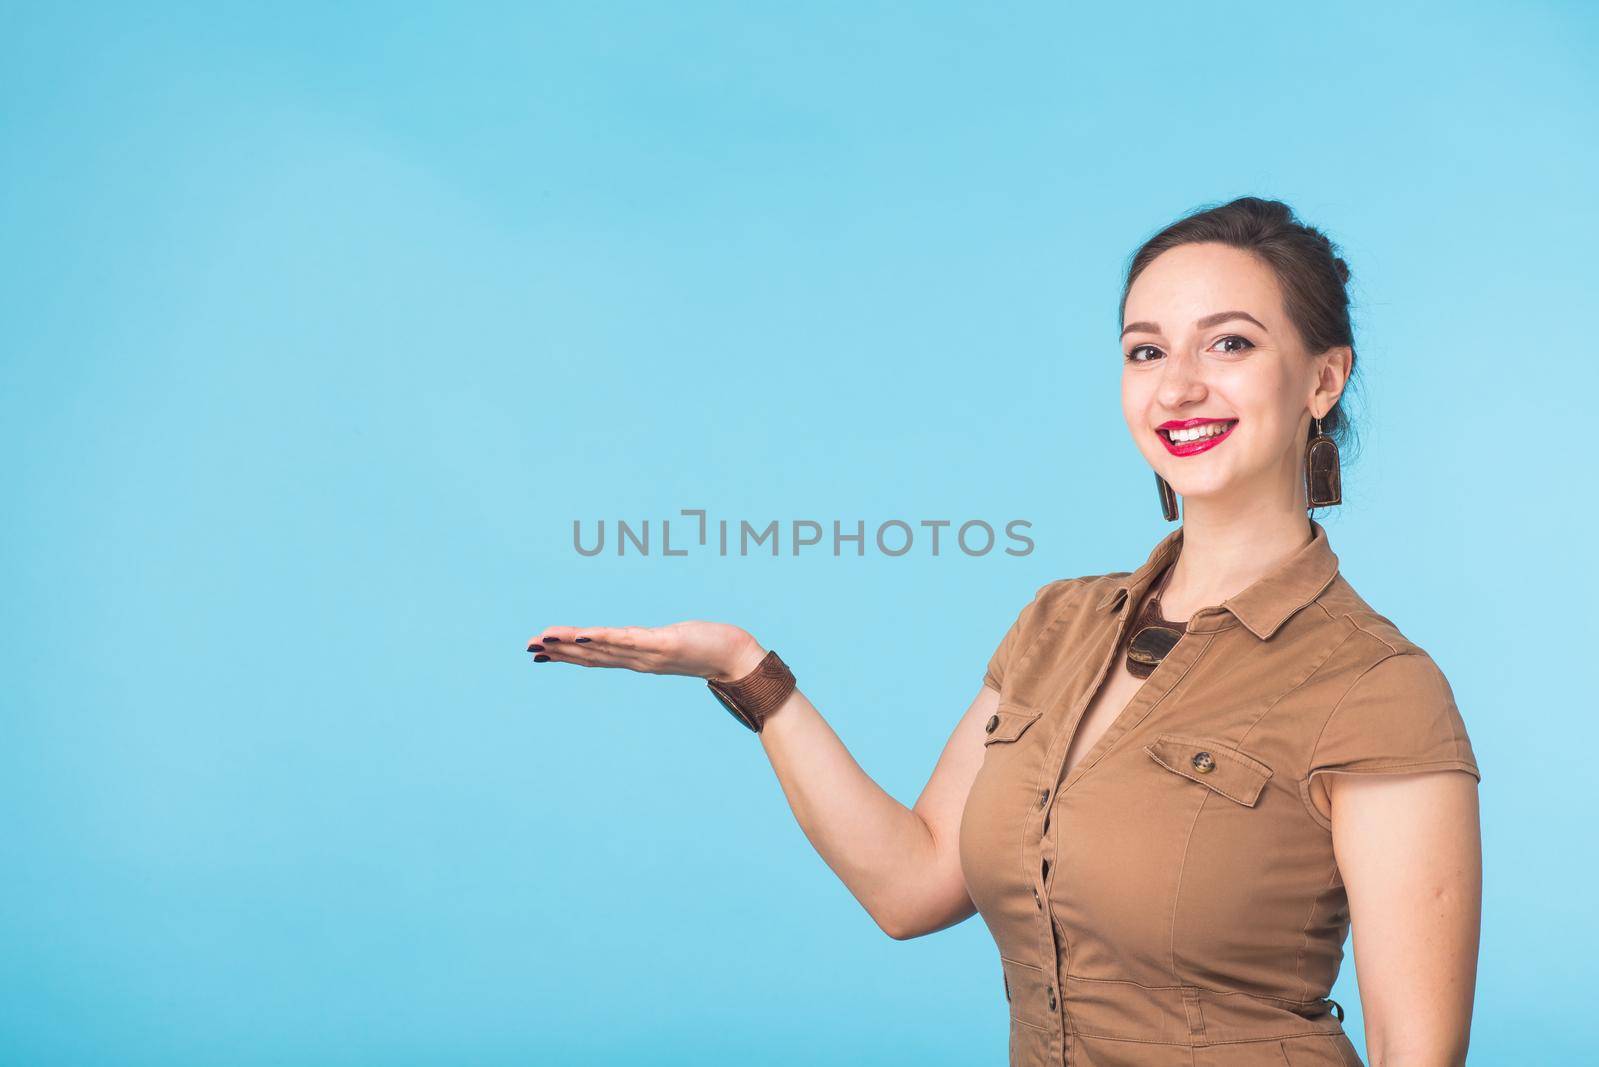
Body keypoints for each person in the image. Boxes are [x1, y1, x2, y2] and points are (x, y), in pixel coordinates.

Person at [526, 196, 1482, 1066]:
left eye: (1228, 344)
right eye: (1145, 350)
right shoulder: (1055, 625)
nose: (1178, 386)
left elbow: (1417, 1052)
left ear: (1324, 377)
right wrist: (746, 670)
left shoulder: (1379, 688)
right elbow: (911, 885)